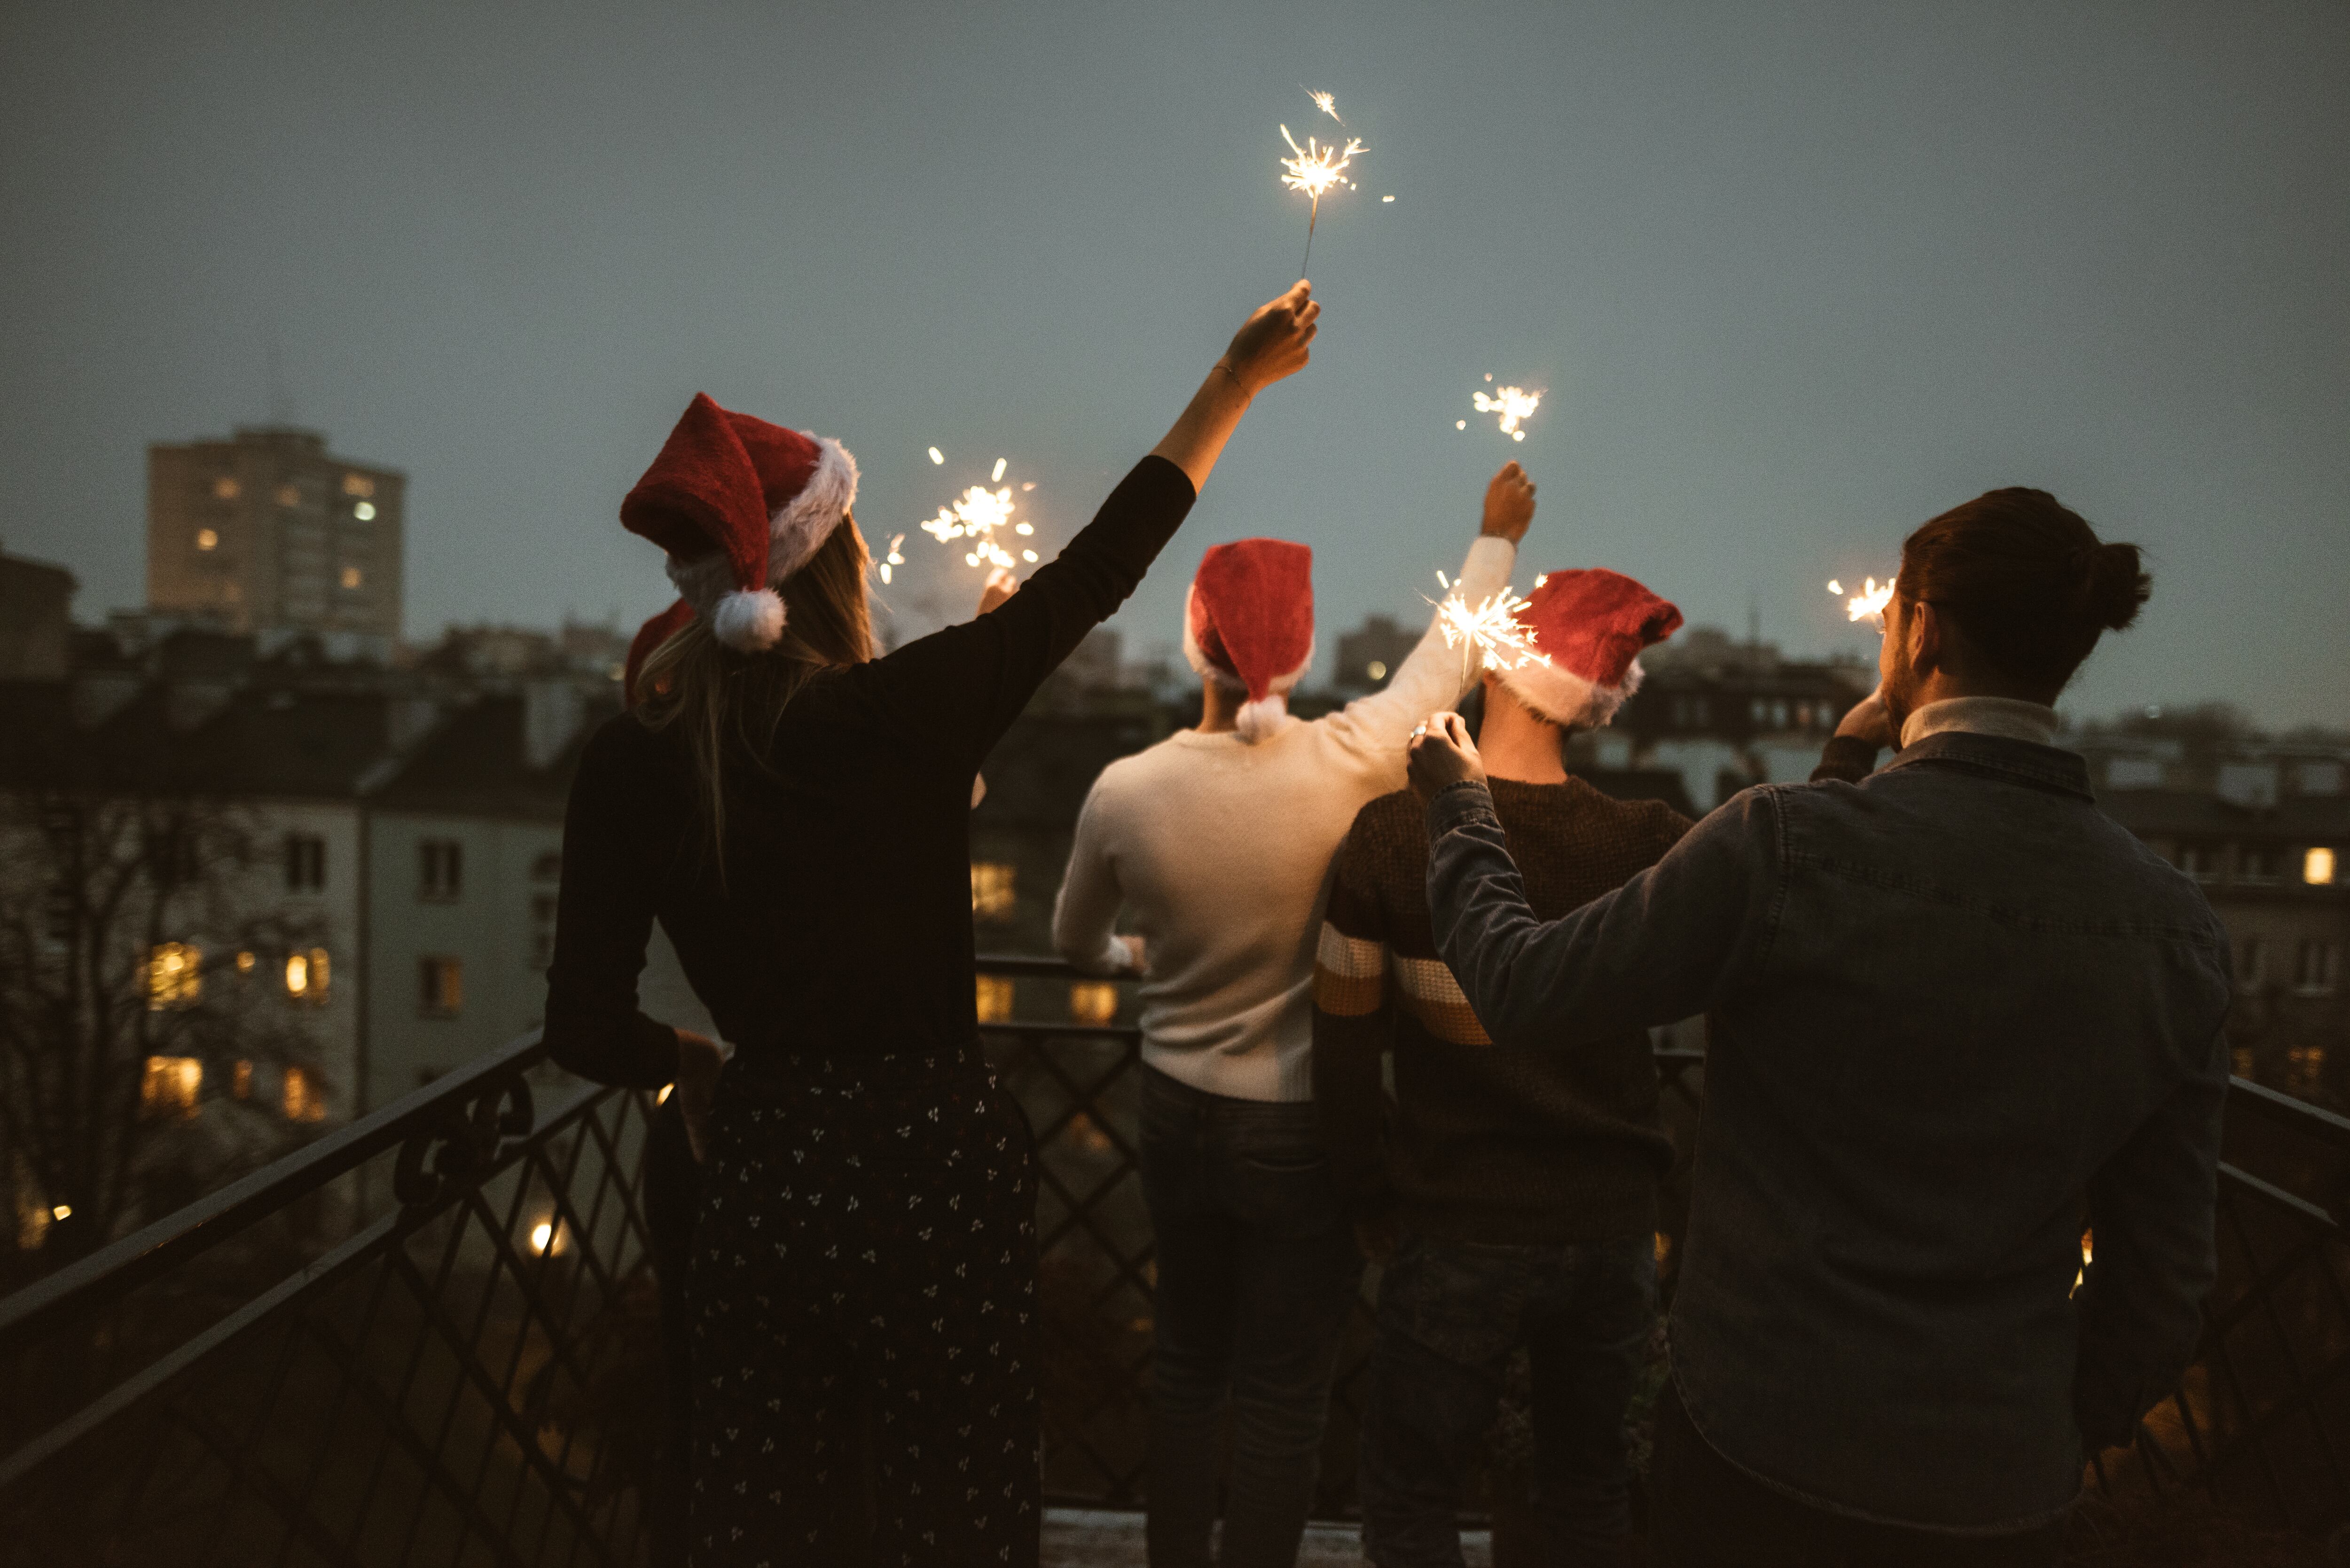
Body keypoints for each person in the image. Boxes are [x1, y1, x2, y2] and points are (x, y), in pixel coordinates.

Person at [541, 280, 1322, 1568]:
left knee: (766, 1511)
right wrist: (1232, 383)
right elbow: (1101, 568)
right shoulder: (903, 713)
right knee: (954, 1507)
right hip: (930, 1169)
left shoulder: (631, 762)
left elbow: (581, 1020)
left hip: (765, 1171)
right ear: (831, 562)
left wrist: (682, 1064)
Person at [1403, 488, 2228, 1566]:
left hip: (1765, 1441)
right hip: (1998, 1478)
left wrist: (1459, 810)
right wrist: (2063, 1425)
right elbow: (2165, 1277)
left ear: (1920, 629)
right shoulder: (2176, 931)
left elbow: (1521, 984)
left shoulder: (1779, 846)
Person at [1049, 463, 1535, 1568]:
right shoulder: (1354, 758)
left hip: (1174, 1112)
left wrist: (1131, 959)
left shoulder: (1126, 788)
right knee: (1281, 1392)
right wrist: (1493, 535)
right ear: (1303, 648)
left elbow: (1069, 944)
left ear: (1194, 638)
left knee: (1184, 1369)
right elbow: (1450, 658)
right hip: (1301, 1127)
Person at [1312, 567, 1688, 1567]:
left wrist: (1366, 1189)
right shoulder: (1648, 845)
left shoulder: (1394, 836)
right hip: (1609, 1225)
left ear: (1496, 657)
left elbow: (1342, 1038)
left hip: (1455, 1219)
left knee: (1411, 1491)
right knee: (1586, 1490)